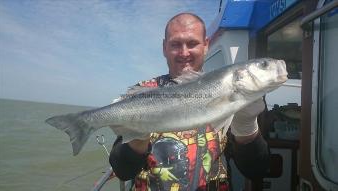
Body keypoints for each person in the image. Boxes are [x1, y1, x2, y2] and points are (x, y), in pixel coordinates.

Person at [109, 13, 270, 191]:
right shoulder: (144, 93)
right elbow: (123, 171)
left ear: (206, 45)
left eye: (192, 43)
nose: (184, 53)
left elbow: (256, 170)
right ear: (164, 47)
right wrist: (137, 140)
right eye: (175, 44)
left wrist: (246, 126)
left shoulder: (231, 89)